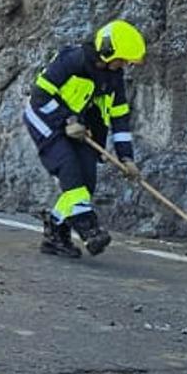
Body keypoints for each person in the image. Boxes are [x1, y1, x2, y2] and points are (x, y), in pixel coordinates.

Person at [23, 18, 146, 257]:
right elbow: (40, 95)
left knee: (86, 181)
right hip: (46, 118)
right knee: (69, 168)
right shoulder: (72, 61)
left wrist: (127, 158)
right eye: (122, 60)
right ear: (108, 51)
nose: (124, 65)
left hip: (79, 128)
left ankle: (55, 232)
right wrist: (67, 120)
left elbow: (120, 120)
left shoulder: (114, 77)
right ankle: (89, 229)